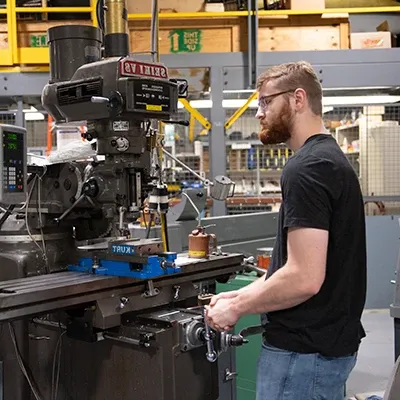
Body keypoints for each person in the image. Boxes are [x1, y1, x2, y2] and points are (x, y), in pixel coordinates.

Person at [205, 61, 367, 400]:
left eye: (266, 101)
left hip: (302, 358)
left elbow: (303, 278)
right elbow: (290, 268)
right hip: (320, 351)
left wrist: (235, 310)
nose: (259, 113)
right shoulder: (329, 159)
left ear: (297, 98)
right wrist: (238, 296)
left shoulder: (307, 168)